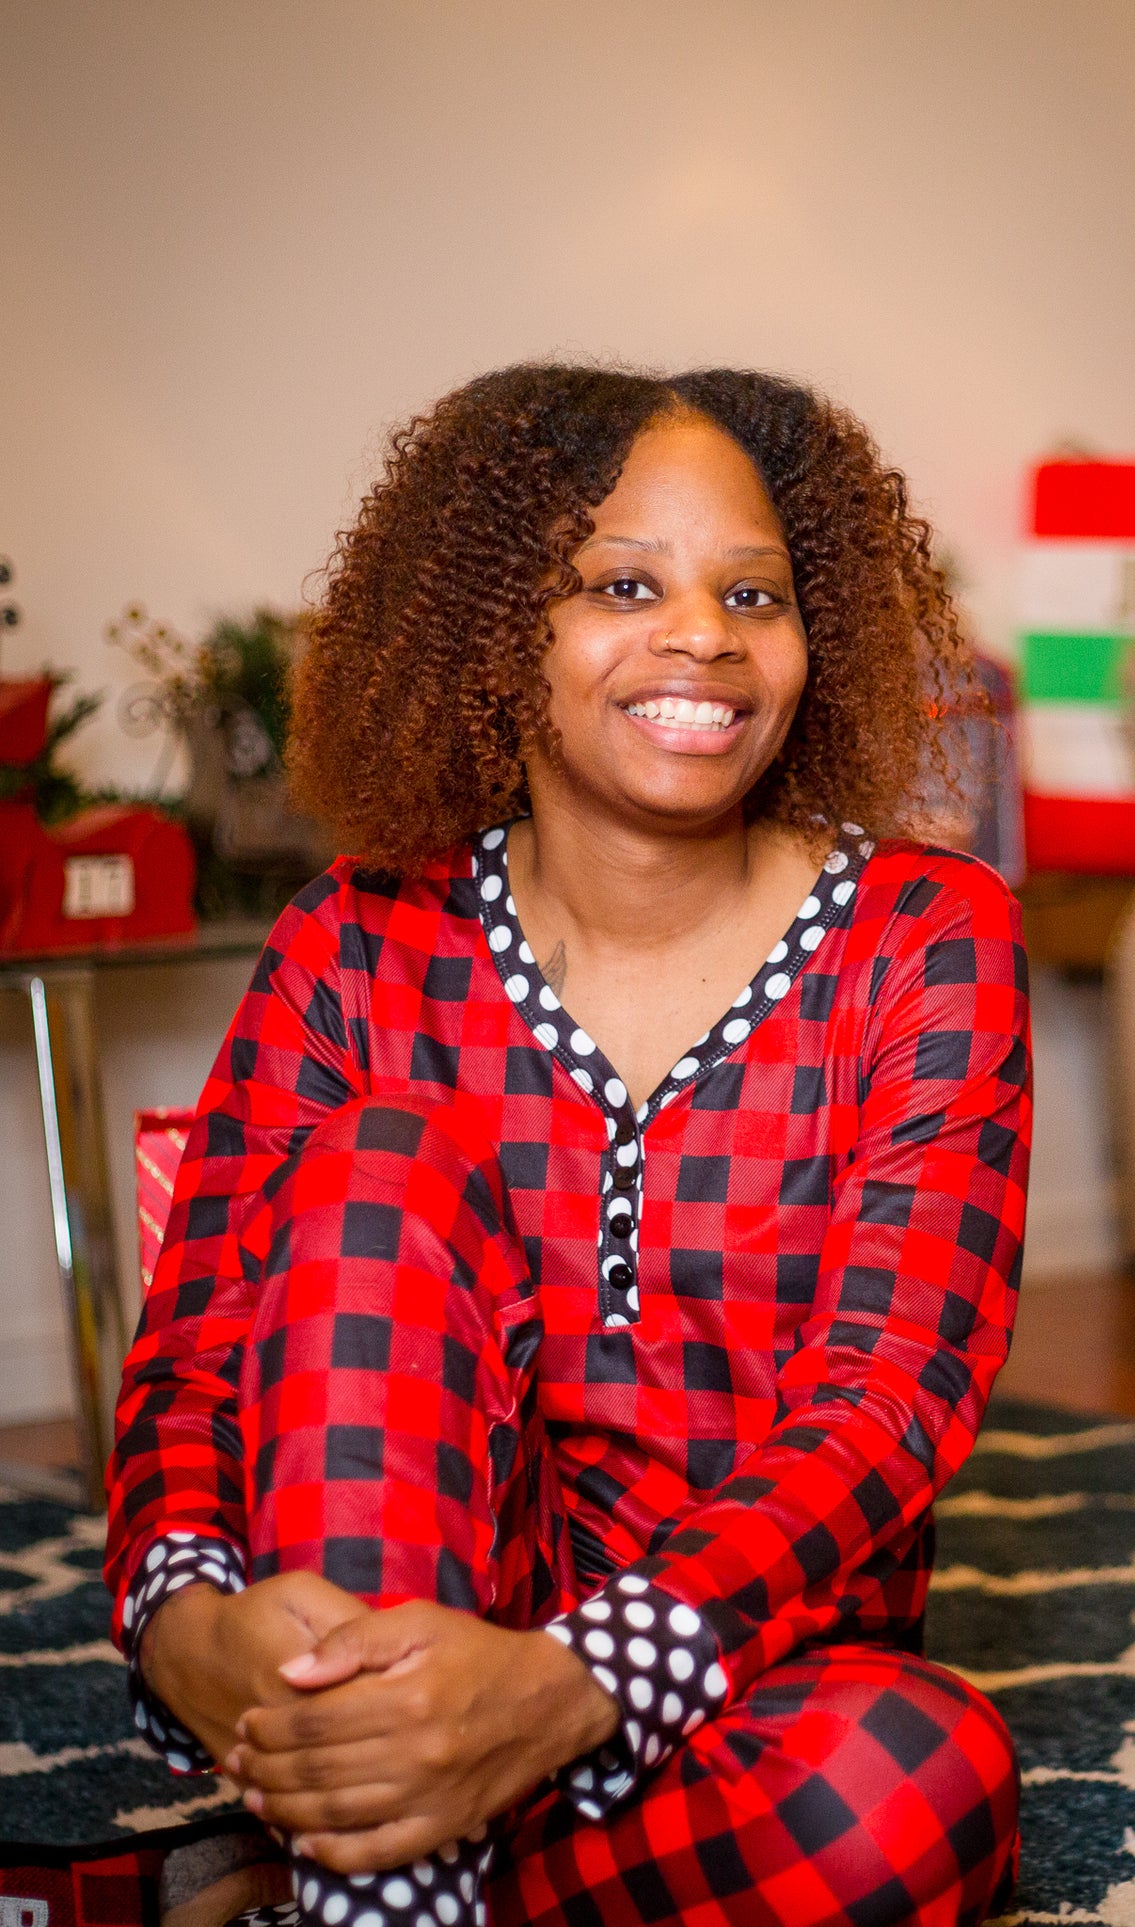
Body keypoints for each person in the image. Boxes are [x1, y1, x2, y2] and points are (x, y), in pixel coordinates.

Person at [105, 366, 1029, 1927]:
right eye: (622, 583)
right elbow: (199, 1359)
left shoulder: (921, 938)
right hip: (397, 1591)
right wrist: (186, 1622)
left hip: (730, 1668)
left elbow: (890, 1401)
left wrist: (564, 1684)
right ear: (491, 631)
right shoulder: (356, 940)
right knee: (379, 1159)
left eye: (755, 591)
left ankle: (359, 1875)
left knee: (912, 1780)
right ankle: (397, 1834)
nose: (706, 635)